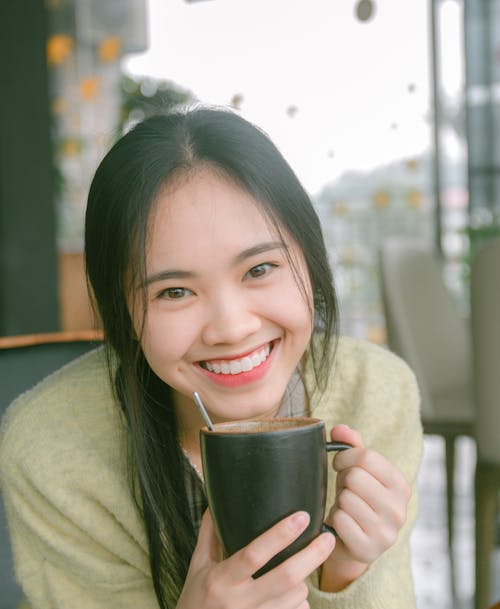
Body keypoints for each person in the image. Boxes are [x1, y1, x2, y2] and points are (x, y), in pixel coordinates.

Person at [0, 106, 422, 609]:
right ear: (123, 312)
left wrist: (346, 571)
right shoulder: (51, 447)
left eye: (260, 268)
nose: (232, 328)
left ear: (308, 260)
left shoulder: (375, 391)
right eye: (175, 292)